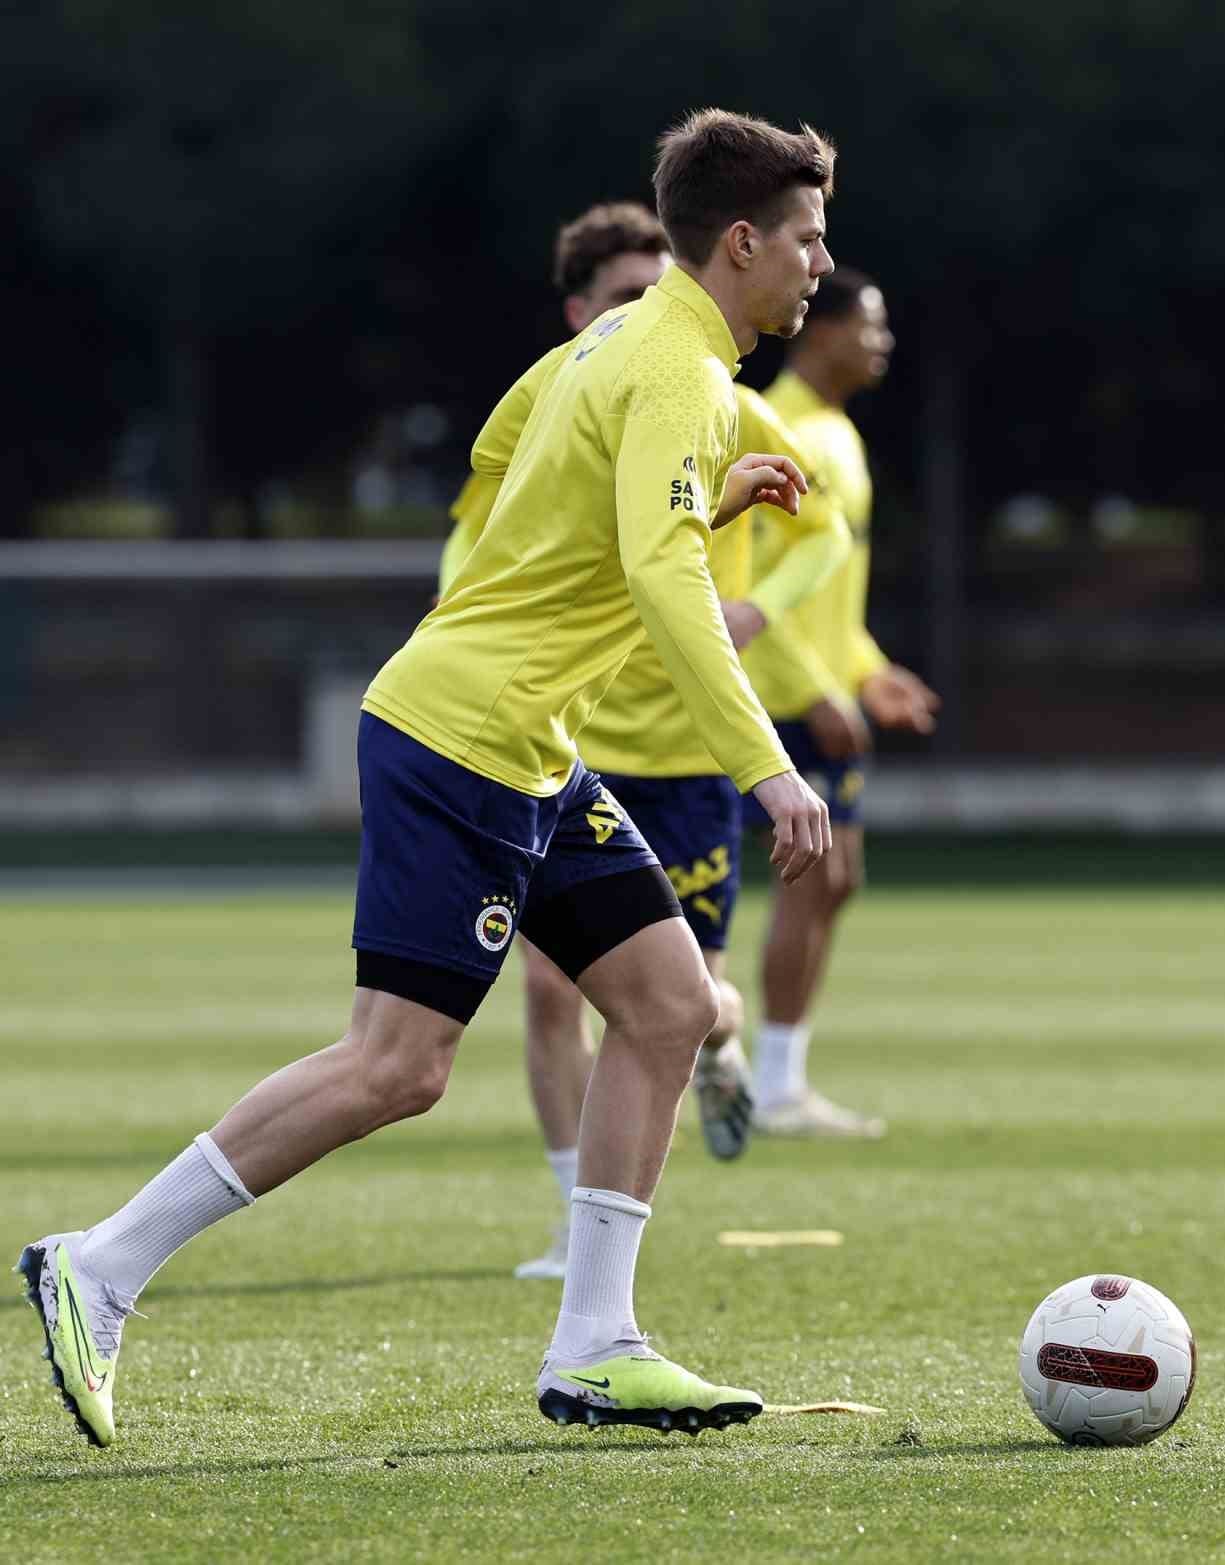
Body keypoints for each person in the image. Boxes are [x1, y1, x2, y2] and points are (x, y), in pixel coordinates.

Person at [18, 108, 838, 1446]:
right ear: (743, 241)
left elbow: (516, 454)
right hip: (467, 737)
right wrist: (767, 765)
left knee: (672, 1008)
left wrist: (703, 494)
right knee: (398, 1066)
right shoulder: (682, 370)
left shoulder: (620, 339)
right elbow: (659, 577)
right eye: (807, 239)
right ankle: (100, 1265)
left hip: (528, 744)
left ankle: (595, 1345)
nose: (820, 263)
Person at [438, 201, 851, 1280]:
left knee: (686, 1002)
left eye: (650, 286)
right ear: (585, 311)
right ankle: (576, 1226)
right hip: (570, 739)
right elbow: (489, 525)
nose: (640, 308)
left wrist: (766, 623)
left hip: (689, 757)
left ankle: (721, 1052)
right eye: (619, 297)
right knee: (540, 991)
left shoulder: (715, 396)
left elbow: (822, 530)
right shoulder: (599, 378)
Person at [740, 267, 940, 1138]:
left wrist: (865, 670)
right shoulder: (779, 428)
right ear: (822, 332)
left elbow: (828, 591)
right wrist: (809, 687)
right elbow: (743, 585)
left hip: (823, 692)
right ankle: (762, 1083)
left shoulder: (840, 436)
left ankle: (778, 1077)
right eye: (872, 325)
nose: (883, 342)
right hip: (778, 696)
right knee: (812, 876)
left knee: (837, 878)